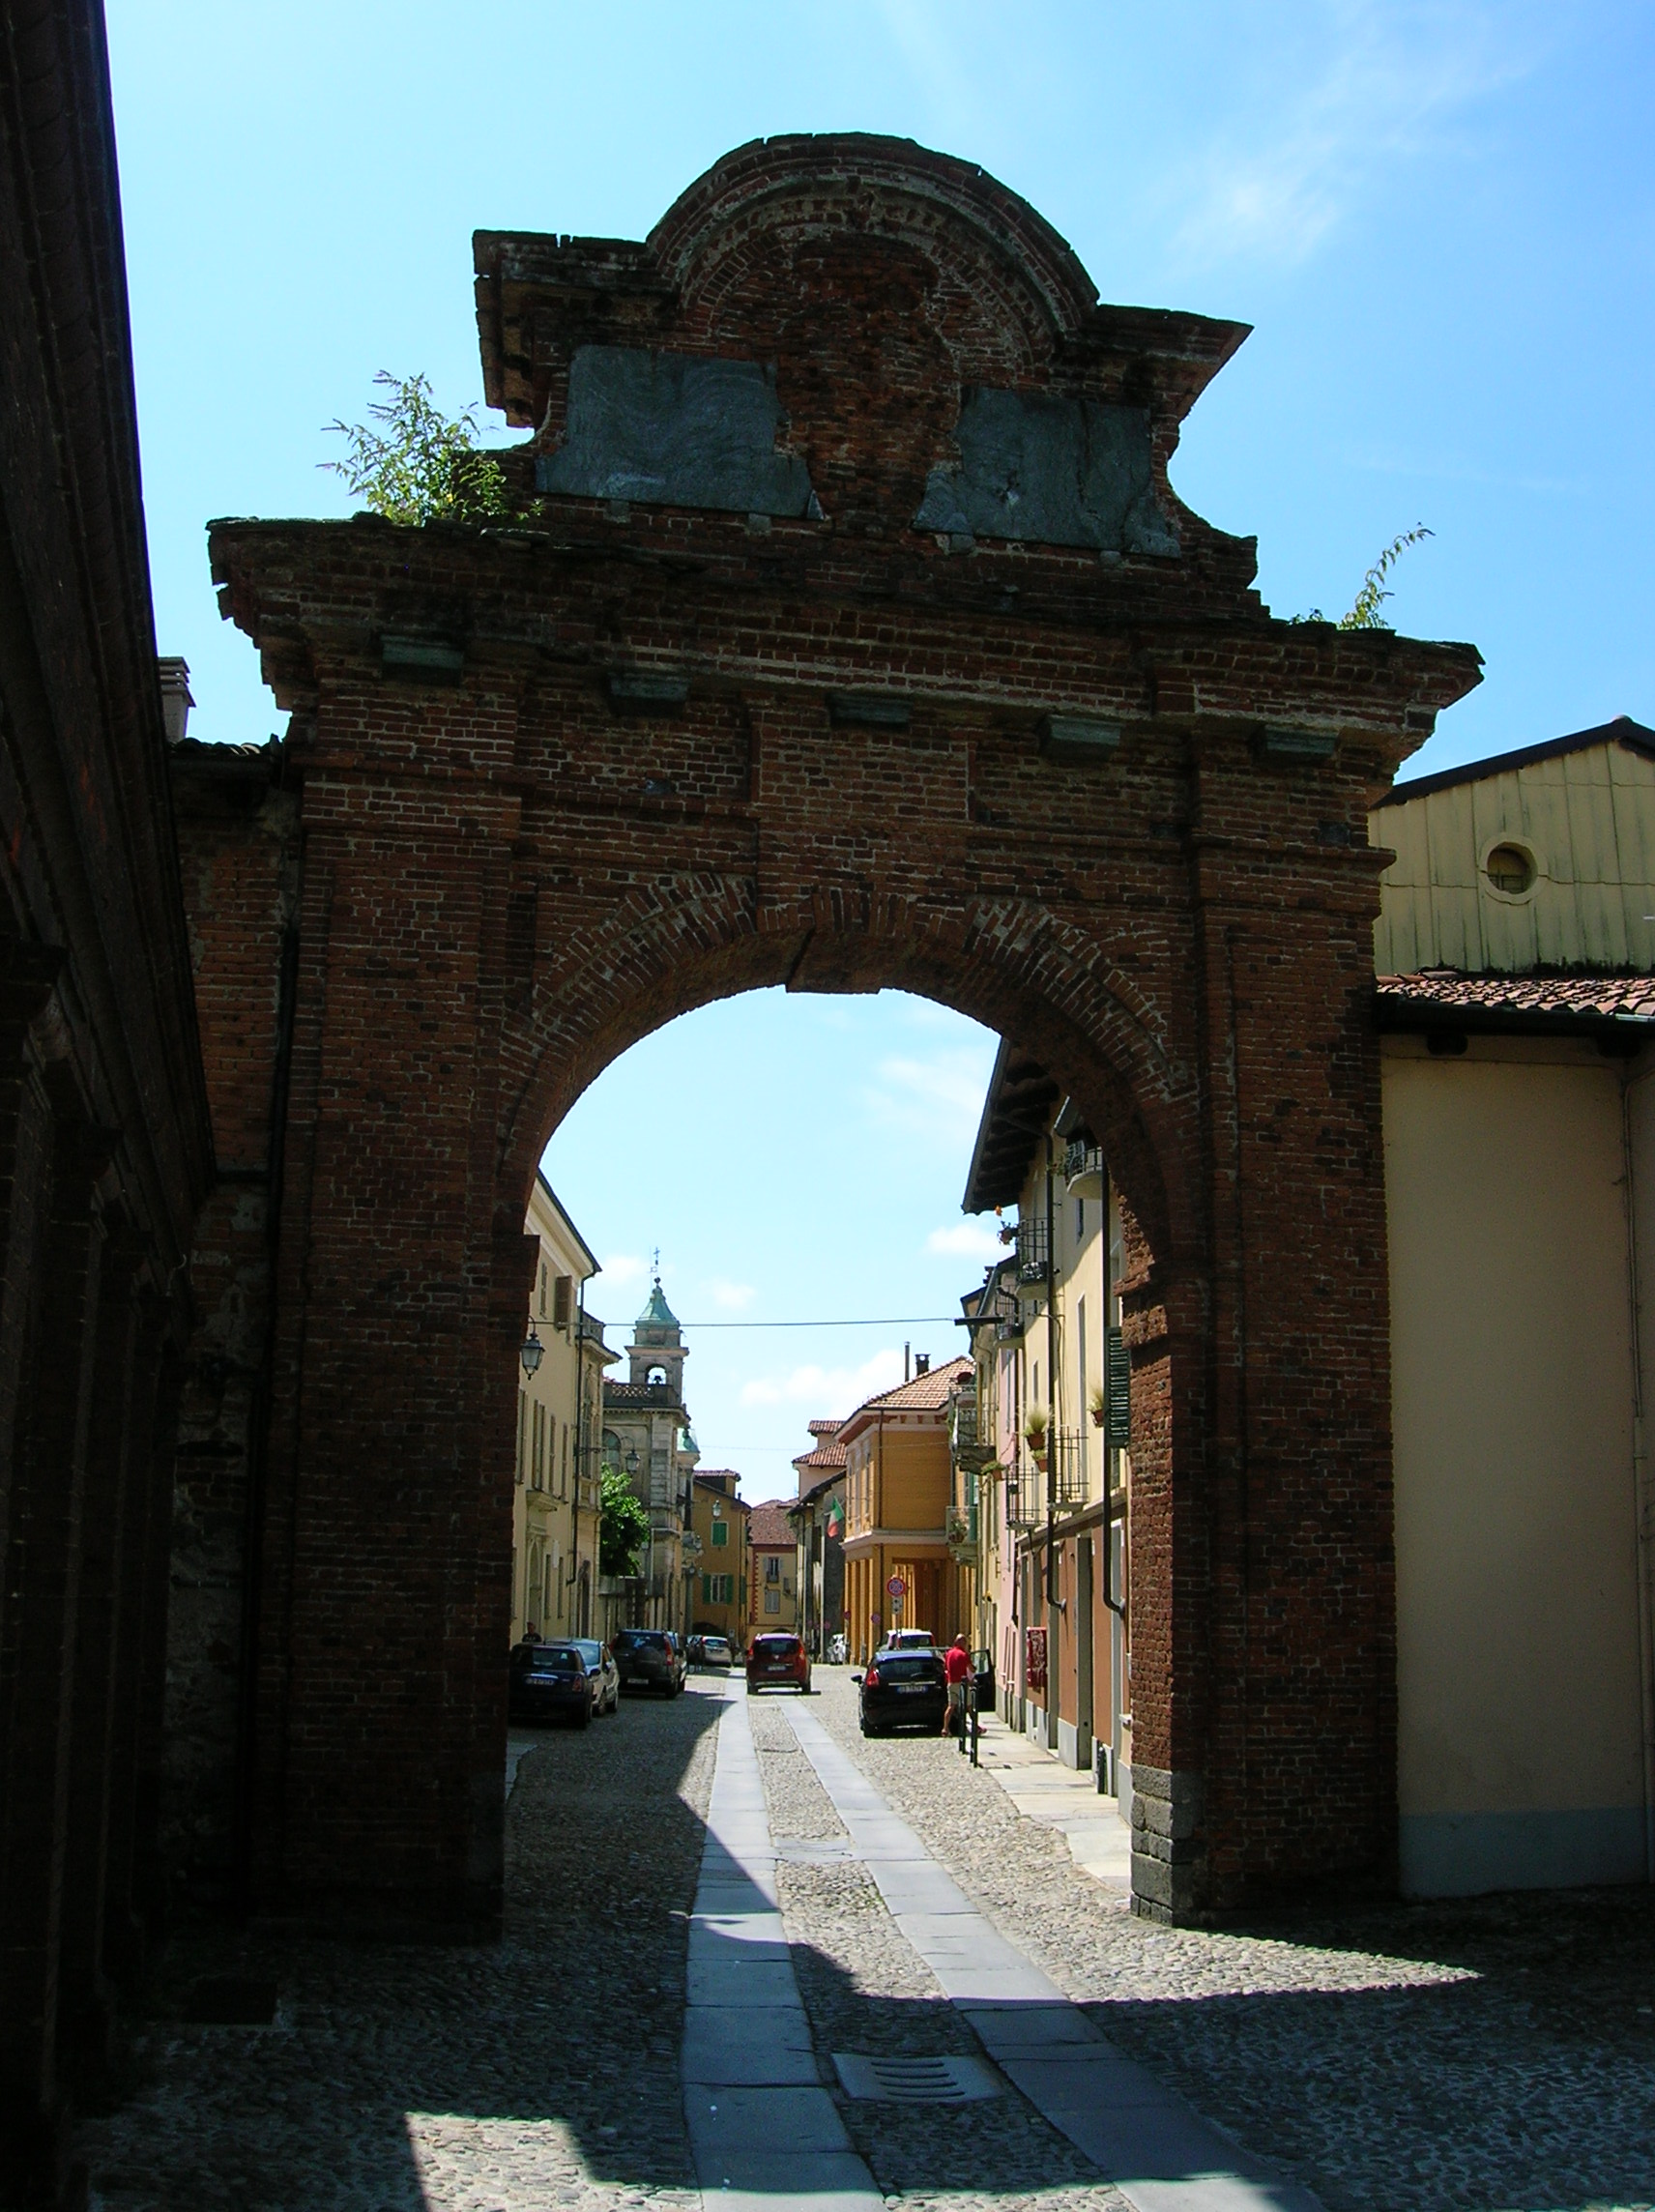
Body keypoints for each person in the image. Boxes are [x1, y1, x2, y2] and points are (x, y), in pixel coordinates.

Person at [942, 1633, 972, 1736]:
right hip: (961, 1683)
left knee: (951, 1707)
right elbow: (971, 1668)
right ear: (961, 1642)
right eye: (965, 1642)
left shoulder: (948, 1654)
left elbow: (945, 1667)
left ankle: (945, 1728)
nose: (965, 1644)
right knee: (969, 1706)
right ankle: (976, 1727)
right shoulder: (963, 1654)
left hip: (951, 1683)